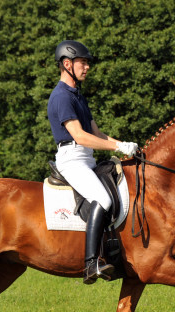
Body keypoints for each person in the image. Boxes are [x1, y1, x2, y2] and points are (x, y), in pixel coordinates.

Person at [47, 40, 138, 284]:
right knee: (104, 198)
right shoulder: (61, 97)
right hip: (72, 159)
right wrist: (117, 147)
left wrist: (125, 146)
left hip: (85, 157)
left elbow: (97, 134)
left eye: (87, 63)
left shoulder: (78, 96)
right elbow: (79, 135)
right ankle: (91, 263)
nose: (87, 67)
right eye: (82, 63)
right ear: (67, 64)